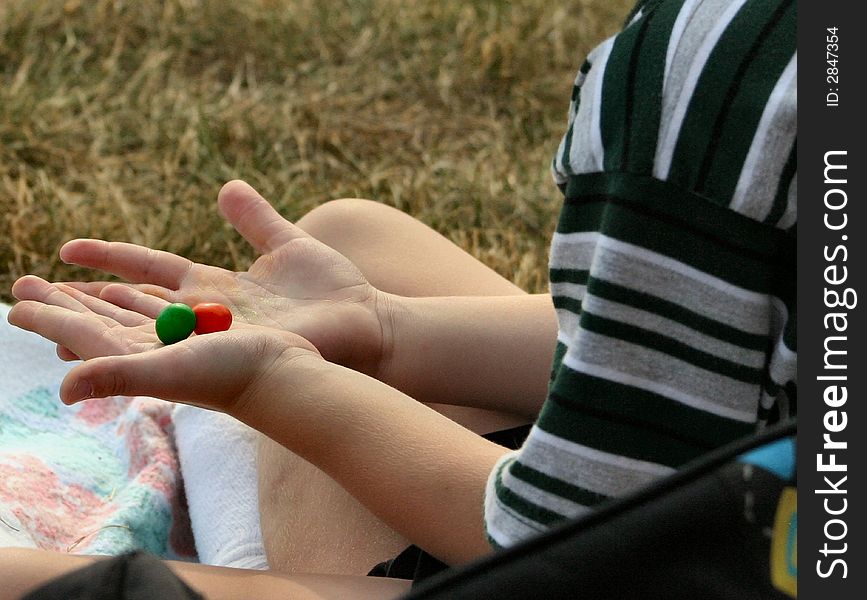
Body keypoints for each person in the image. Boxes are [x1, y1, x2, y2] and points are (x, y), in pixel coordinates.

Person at [3, 0, 796, 596]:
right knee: (356, 236)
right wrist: (388, 330)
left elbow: (578, 544)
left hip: (685, 560)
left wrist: (273, 383)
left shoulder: (717, 80)